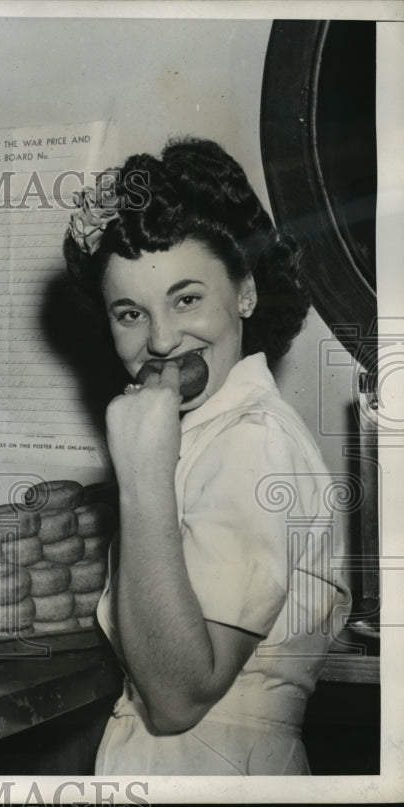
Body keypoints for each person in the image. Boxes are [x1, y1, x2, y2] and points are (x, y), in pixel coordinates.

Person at [63, 138, 351, 775]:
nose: (162, 340)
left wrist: (140, 476)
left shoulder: (253, 441)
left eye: (186, 299)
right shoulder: (205, 432)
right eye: (130, 312)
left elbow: (176, 698)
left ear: (245, 294)